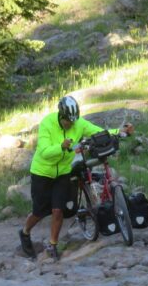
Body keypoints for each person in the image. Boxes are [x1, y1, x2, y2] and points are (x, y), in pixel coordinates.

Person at [19, 95, 134, 261]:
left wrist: (120, 131)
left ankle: (52, 245)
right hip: (42, 172)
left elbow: (98, 132)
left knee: (58, 210)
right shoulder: (47, 123)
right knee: (39, 213)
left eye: (73, 121)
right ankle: (25, 232)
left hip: (63, 173)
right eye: (68, 121)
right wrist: (61, 147)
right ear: (61, 116)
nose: (71, 124)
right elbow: (44, 152)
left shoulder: (78, 123)